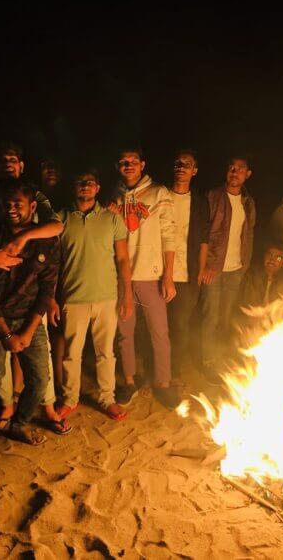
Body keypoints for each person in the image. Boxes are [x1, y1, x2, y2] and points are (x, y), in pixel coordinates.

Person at [0, 182, 61, 489]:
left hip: (29, 319)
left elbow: (47, 289)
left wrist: (29, 331)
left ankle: (19, 424)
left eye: (18, 203)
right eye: (8, 203)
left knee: (40, 379)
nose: (12, 208)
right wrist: (6, 335)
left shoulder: (45, 240)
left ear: (32, 207)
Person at [48, 170, 133, 421]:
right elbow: (53, 262)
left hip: (107, 297)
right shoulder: (60, 219)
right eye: (80, 182)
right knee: (72, 355)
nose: (85, 186)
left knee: (106, 353)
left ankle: (107, 398)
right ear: (74, 187)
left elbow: (123, 259)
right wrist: (51, 298)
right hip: (74, 297)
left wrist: (127, 295)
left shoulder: (112, 219)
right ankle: (70, 399)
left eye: (90, 183)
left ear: (97, 188)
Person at [111, 147, 180, 409]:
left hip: (151, 276)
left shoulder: (158, 193)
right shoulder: (114, 196)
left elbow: (169, 235)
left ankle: (163, 382)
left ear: (142, 164)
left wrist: (168, 276)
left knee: (159, 333)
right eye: (123, 162)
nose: (128, 165)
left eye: (133, 161)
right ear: (118, 167)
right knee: (125, 333)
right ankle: (129, 380)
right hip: (122, 277)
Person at [200, 155, 256, 374]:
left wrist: (245, 264)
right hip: (214, 269)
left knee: (225, 317)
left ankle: (219, 357)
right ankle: (207, 361)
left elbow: (249, 234)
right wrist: (206, 264)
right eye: (231, 168)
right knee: (210, 316)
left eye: (240, 169)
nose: (235, 172)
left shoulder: (248, 202)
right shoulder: (213, 196)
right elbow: (204, 232)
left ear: (247, 174)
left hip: (236, 270)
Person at [167, 150, 209, 377]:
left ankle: (174, 373)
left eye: (187, 164)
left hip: (187, 275)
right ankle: (156, 371)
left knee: (180, 327)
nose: (182, 167)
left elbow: (203, 240)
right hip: (159, 273)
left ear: (195, 171)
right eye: (178, 163)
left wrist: (200, 272)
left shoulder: (199, 202)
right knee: (157, 327)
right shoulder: (161, 196)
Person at [238, 239, 283, 310]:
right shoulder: (251, 276)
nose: (272, 260)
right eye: (269, 255)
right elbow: (245, 304)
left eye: (278, 258)